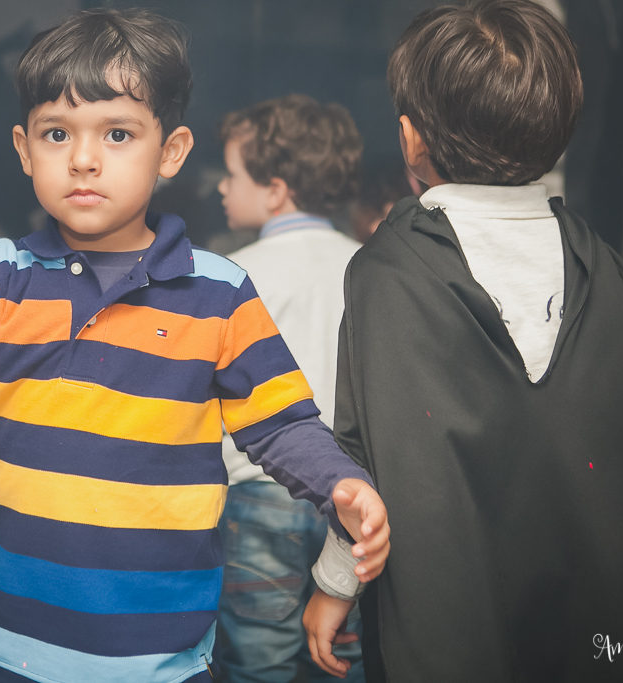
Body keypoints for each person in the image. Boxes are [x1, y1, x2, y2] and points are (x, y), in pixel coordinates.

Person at [0, 9, 390, 683]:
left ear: (172, 150)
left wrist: (341, 483)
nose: (83, 158)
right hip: (4, 648)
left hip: (159, 660)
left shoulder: (220, 291)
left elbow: (281, 423)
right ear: (23, 148)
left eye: (118, 132)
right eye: (56, 133)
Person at [303, 1, 623, 681]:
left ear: (409, 138)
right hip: (607, 631)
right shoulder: (604, 266)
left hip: (457, 627)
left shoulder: (391, 271)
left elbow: (360, 454)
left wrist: (335, 582)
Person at [214, 94, 365, 683]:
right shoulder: (369, 266)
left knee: (257, 657)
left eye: (230, 175)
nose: (221, 189)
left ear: (275, 190)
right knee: (343, 658)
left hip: (256, 495)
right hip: (353, 497)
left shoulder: (233, 275)